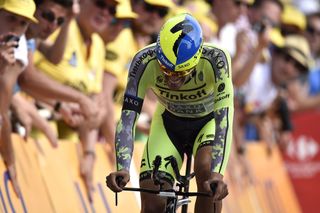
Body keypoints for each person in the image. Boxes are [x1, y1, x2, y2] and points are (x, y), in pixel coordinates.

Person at [106, 13, 234, 213]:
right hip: (168, 124)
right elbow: (128, 118)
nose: (172, 80)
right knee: (152, 202)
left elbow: (224, 119)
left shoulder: (217, 60)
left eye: (181, 73)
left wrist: (218, 174)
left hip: (207, 123)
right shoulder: (143, 60)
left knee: (207, 173)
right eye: (165, 70)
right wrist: (122, 166)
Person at [0, 0, 38, 197]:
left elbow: (1, 110)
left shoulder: (17, 44)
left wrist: (11, 161)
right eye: (11, 18)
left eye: (23, 23)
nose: (15, 27)